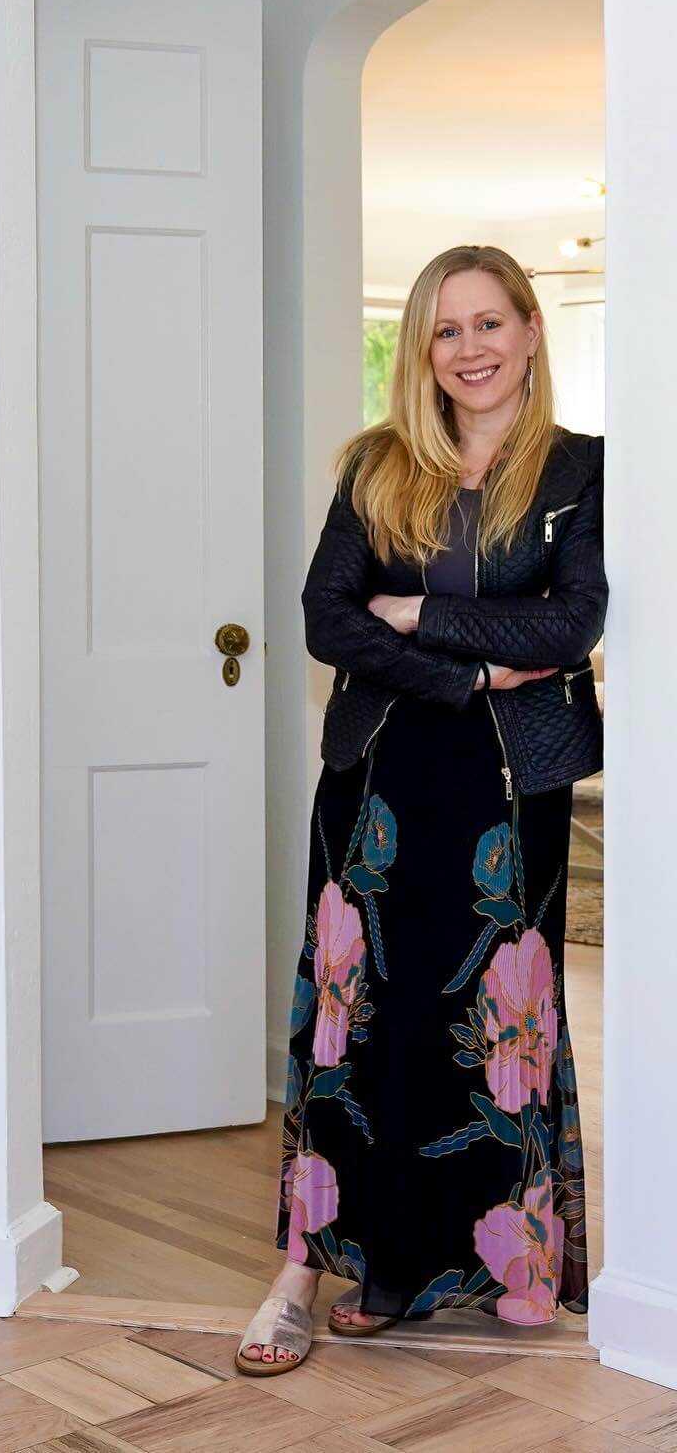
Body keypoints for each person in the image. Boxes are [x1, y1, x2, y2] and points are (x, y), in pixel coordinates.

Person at [235, 244, 604, 1376]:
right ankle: (319, 1268)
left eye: (490, 322)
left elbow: (569, 623)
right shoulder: (376, 465)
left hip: (512, 786)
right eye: (447, 328)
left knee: (499, 1020)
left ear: (530, 330)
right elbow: (325, 618)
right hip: (379, 780)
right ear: (423, 349)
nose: (471, 347)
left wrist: (414, 613)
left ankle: (493, 1264)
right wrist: (469, 670)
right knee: (362, 1017)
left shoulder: (584, 470)